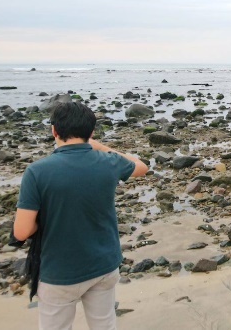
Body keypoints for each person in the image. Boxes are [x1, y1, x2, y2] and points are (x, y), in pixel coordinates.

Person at [13, 102, 148, 329]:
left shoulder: (36, 171)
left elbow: (21, 232)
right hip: (104, 265)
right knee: (104, 325)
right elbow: (141, 166)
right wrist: (100, 146)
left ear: (54, 131)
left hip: (59, 271)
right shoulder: (109, 162)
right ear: (92, 132)